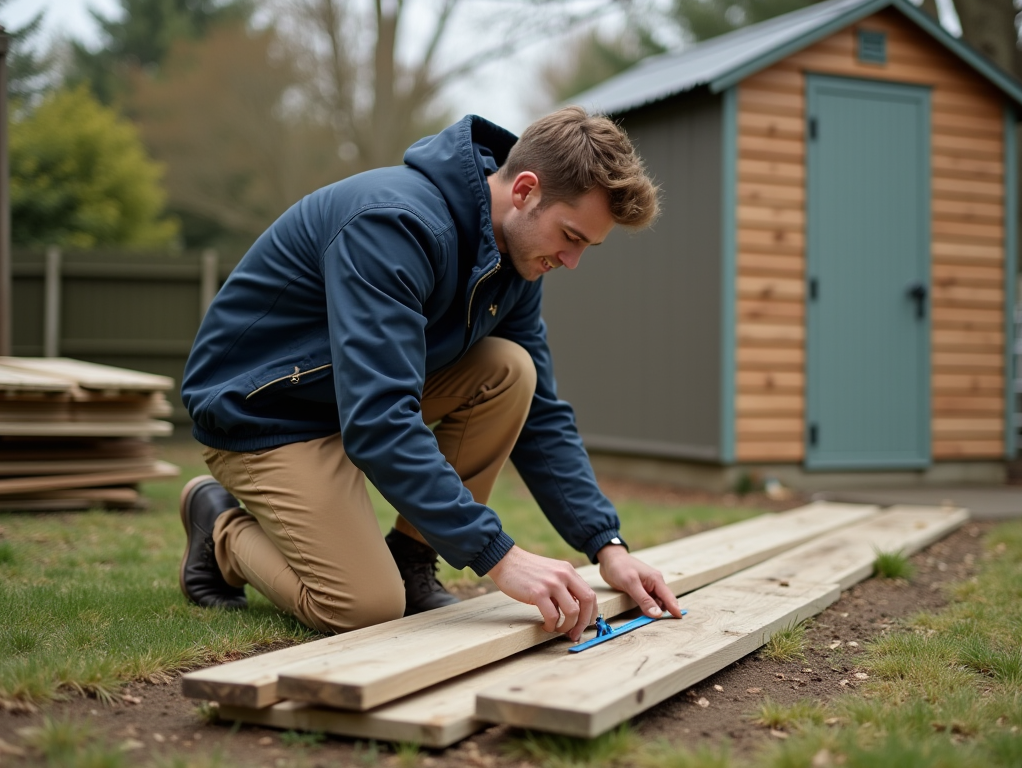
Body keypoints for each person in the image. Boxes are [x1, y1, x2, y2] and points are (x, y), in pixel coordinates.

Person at [178, 107, 682, 642]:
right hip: (263, 412)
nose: (573, 260)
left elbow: (542, 416)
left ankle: (413, 558)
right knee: (363, 607)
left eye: (587, 246)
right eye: (571, 235)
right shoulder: (394, 223)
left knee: (511, 370)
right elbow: (379, 419)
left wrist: (608, 547)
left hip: (341, 400)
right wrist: (500, 556)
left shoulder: (516, 260)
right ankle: (221, 528)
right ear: (526, 190)